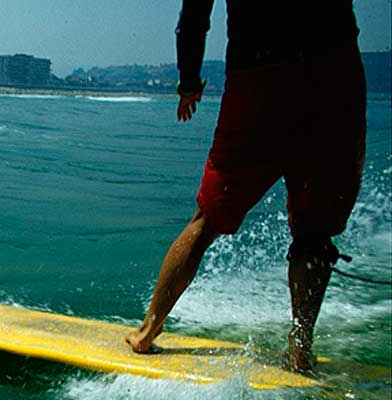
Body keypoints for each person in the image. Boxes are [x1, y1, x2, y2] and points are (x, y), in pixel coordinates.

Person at [125, 0, 366, 373]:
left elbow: (194, 16)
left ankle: (147, 331)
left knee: (206, 221)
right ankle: (300, 348)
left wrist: (189, 81)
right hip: (334, 77)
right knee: (314, 233)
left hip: (259, 81)